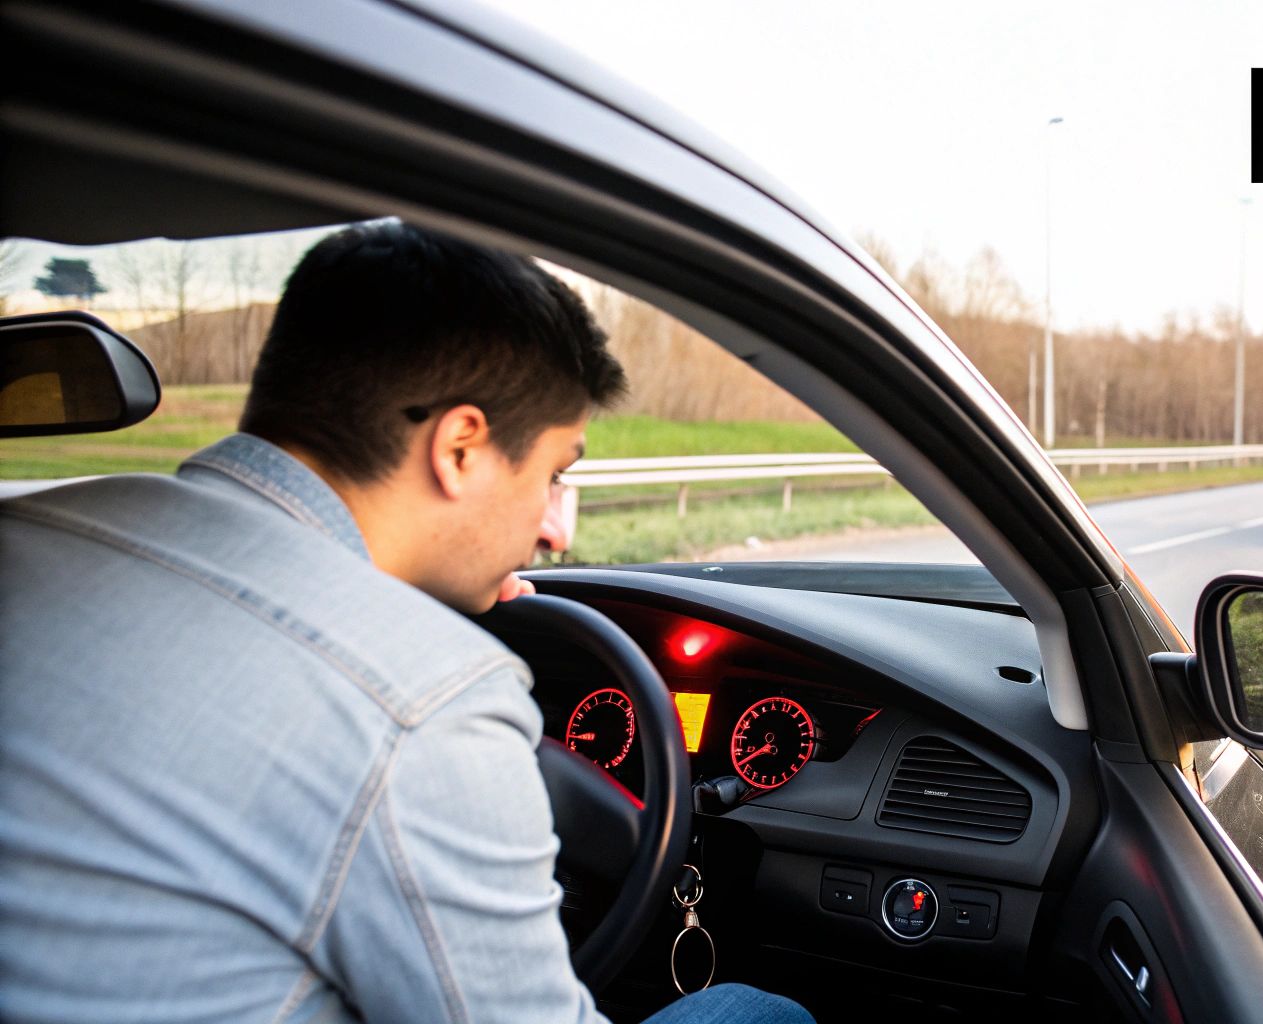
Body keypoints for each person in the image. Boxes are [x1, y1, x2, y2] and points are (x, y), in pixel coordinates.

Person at [0, 221, 811, 1023]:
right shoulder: (428, 700)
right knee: (754, 1010)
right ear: (460, 447)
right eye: (556, 474)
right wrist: (446, 682)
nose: (556, 531)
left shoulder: (33, 533)